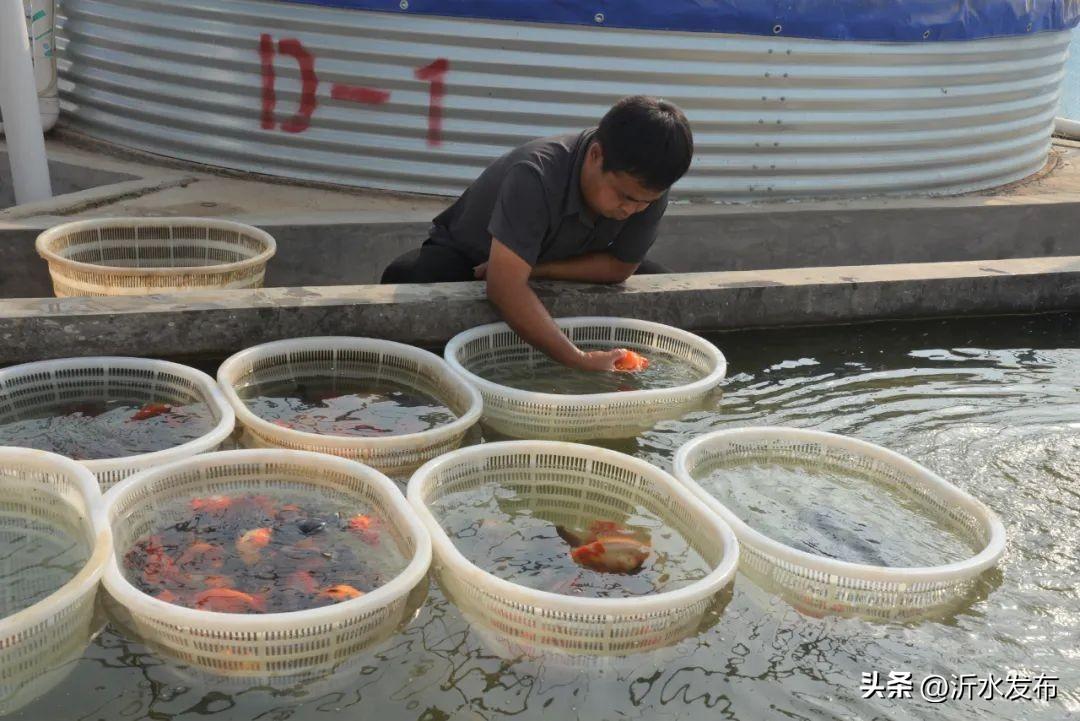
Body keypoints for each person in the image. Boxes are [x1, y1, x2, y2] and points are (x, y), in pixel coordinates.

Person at [381, 95, 693, 371]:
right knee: (411, 278)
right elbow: (503, 289)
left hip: (554, 256)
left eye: (644, 203)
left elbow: (620, 267)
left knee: (660, 289)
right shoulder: (536, 175)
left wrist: (536, 270)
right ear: (596, 156)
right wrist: (578, 359)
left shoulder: (646, 189)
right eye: (623, 197)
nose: (631, 210)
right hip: (473, 256)